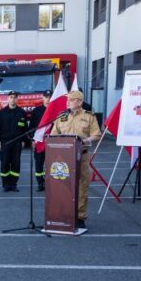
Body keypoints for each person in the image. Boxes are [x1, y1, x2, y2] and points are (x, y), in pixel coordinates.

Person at [52, 90, 102, 228]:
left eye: (71, 99)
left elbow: (97, 135)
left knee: (81, 187)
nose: (67, 102)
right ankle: (63, 214)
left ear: (79, 102)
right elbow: (53, 135)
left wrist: (86, 140)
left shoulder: (89, 116)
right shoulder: (61, 116)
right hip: (63, 158)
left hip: (81, 156)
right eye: (67, 99)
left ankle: (80, 217)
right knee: (62, 186)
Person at [0, 91, 29, 192]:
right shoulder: (1, 113)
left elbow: (25, 128)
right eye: (11, 97)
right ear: (8, 98)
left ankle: (13, 184)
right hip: (5, 142)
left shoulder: (21, 112)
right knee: (5, 163)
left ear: (17, 99)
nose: (13, 99)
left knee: (15, 163)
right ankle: (5, 184)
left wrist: (24, 141)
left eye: (14, 97)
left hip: (17, 142)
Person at [29, 89, 53, 192]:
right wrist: (32, 139)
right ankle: (40, 183)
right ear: (43, 97)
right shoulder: (36, 111)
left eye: (50, 97)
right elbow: (32, 127)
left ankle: (50, 183)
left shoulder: (56, 110)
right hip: (39, 142)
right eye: (46, 97)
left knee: (51, 164)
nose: (48, 99)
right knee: (39, 164)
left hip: (52, 142)